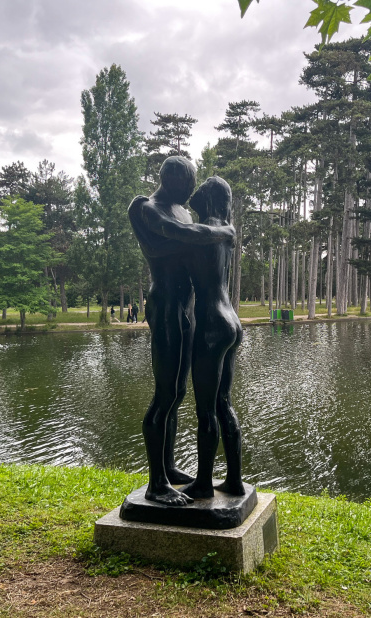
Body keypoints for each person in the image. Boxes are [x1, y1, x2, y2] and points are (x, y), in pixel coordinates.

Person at [128, 157, 235, 506]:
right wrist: (225, 231)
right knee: (166, 393)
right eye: (188, 185)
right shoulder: (146, 207)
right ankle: (156, 484)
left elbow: (190, 240)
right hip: (166, 306)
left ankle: (169, 467)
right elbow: (181, 237)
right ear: (173, 178)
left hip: (188, 308)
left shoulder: (183, 210)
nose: (191, 194)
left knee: (179, 393)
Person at [180, 177, 245, 499]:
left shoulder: (201, 233)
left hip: (209, 324)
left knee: (205, 410)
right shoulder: (225, 231)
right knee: (224, 403)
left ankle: (204, 482)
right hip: (231, 320)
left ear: (206, 200)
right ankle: (234, 480)